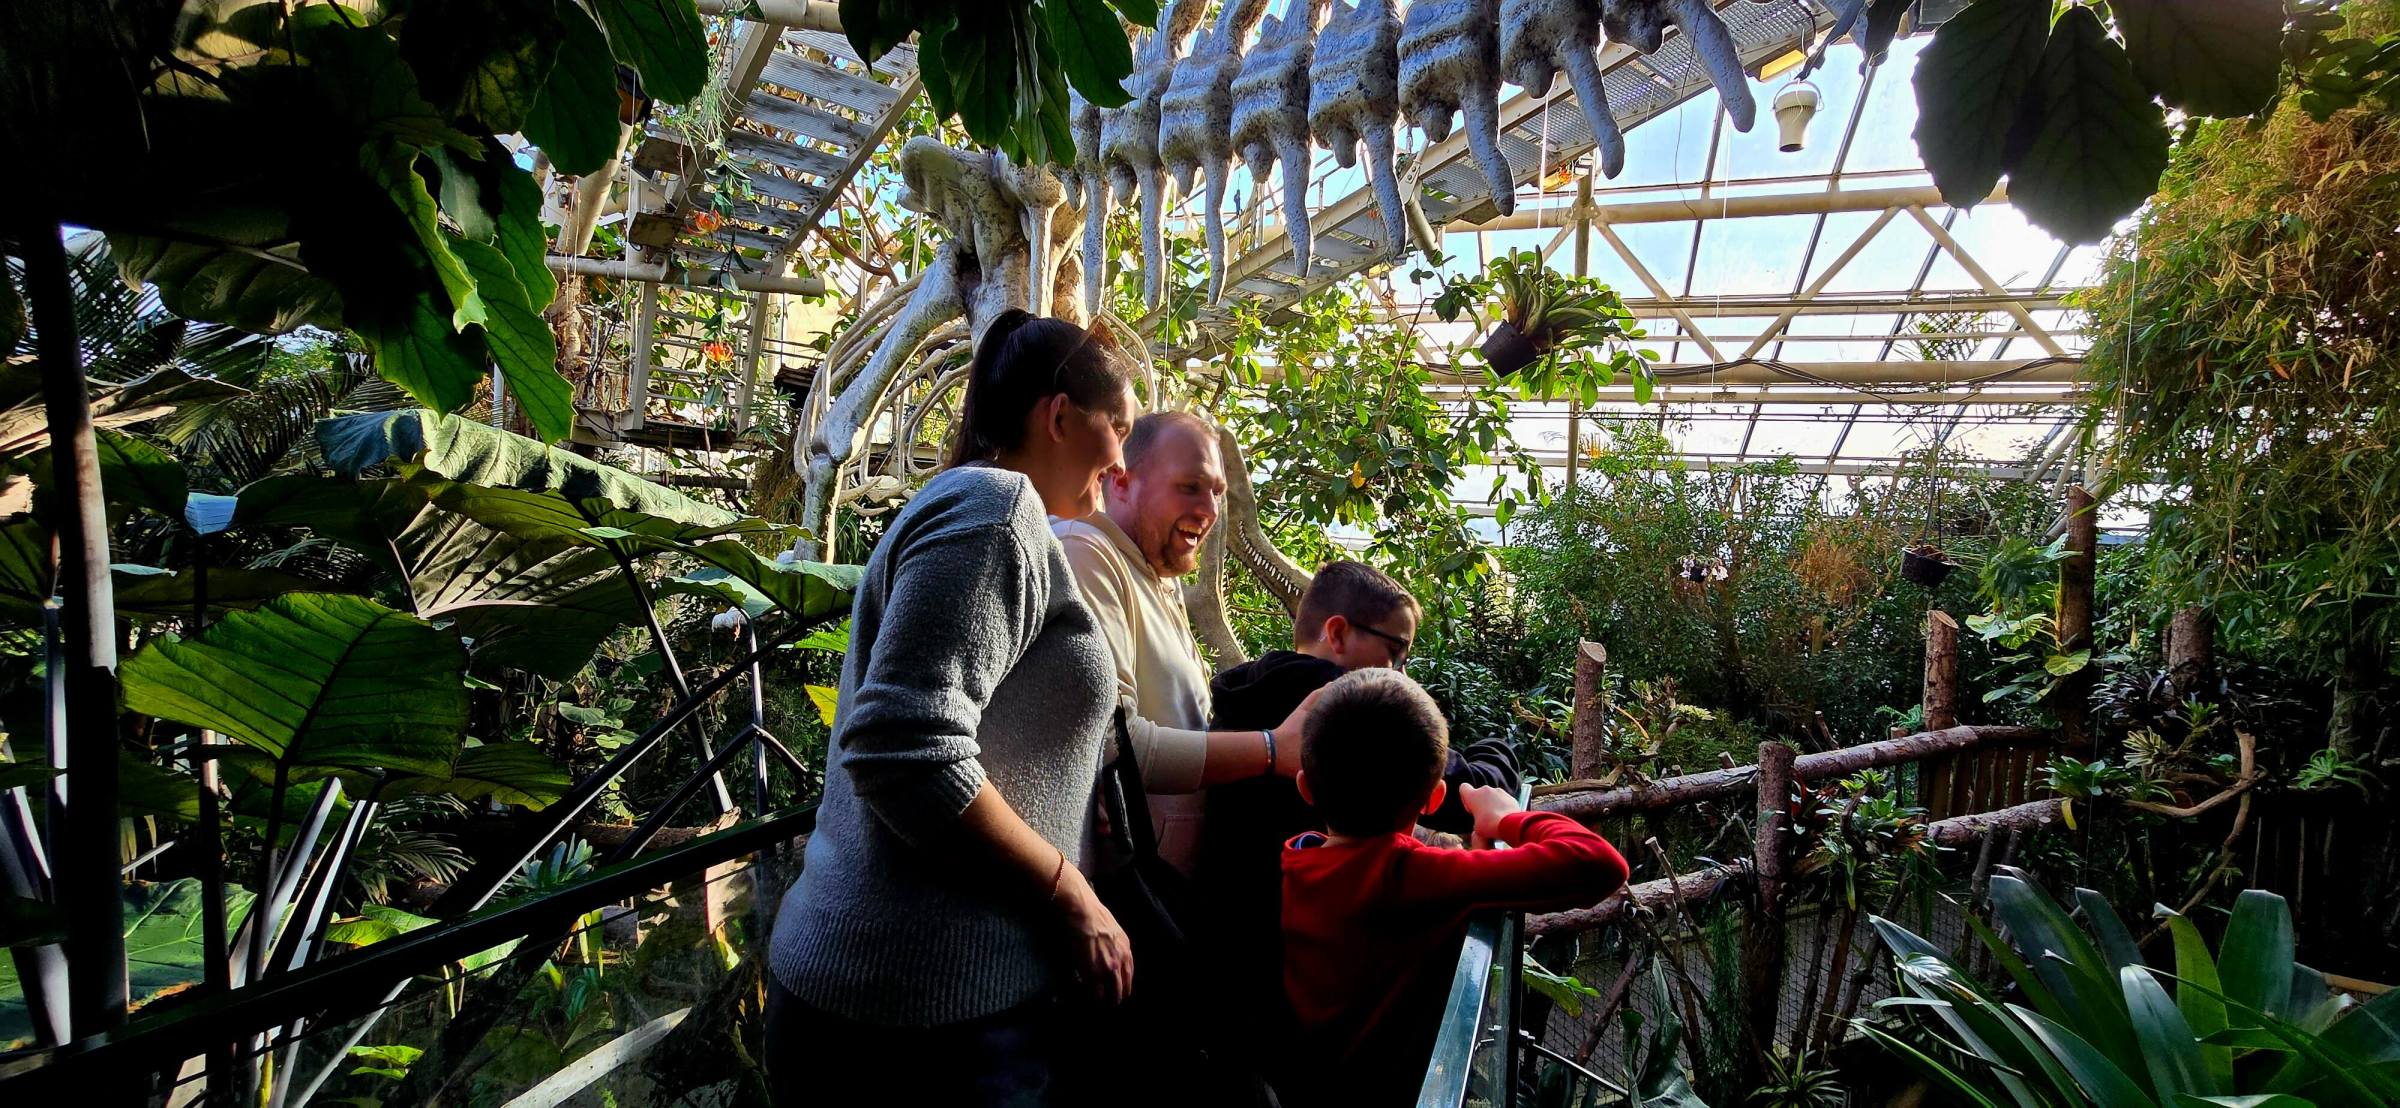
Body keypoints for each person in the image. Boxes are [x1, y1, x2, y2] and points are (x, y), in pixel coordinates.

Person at [765, 311, 1139, 1107]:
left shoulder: (998, 517)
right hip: (917, 1029)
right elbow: (905, 746)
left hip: (928, 1011)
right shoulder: (998, 510)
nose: (1122, 455)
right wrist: (1069, 894)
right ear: (1061, 415)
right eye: (1120, 425)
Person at [1196, 560, 1520, 1065]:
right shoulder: (1339, 712)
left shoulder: (1249, 696)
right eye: (1395, 652)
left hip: (1245, 977)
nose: (1401, 673)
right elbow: (1471, 791)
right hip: (1320, 1004)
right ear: (1338, 632)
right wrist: (1499, 749)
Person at [1277, 668, 1629, 1107]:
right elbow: (1599, 863)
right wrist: (1505, 817)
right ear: (1434, 800)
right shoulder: (1413, 877)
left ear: (1305, 788)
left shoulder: (1298, 859)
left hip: (1309, 1086)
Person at [1053, 411, 1312, 874]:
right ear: (1121, 482)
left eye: (1215, 491)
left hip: (1170, 895)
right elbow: (1112, 743)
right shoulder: (1086, 553)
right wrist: (1272, 749)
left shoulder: (1152, 572)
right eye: (1189, 487)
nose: (1211, 511)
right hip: (1123, 901)